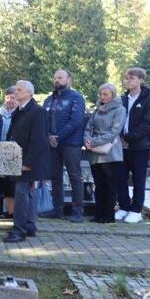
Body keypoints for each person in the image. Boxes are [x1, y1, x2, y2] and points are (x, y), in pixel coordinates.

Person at [4, 80, 51, 243]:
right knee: (27, 194)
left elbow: (39, 140)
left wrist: (28, 163)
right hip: (18, 159)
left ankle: (19, 231)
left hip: (30, 162)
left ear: (29, 93)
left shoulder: (38, 112)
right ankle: (29, 226)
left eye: (19, 90)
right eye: (15, 89)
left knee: (22, 194)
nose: (15, 92)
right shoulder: (19, 110)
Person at [115, 68, 150, 223]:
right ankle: (124, 207)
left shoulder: (149, 100)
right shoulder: (122, 99)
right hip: (121, 145)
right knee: (120, 177)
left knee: (138, 178)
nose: (127, 80)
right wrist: (120, 137)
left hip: (140, 145)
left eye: (131, 78)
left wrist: (129, 137)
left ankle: (136, 209)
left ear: (141, 80)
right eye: (126, 78)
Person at [43, 69, 87, 222]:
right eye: (55, 77)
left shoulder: (76, 98)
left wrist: (59, 137)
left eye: (60, 77)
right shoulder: (49, 100)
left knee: (75, 176)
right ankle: (57, 209)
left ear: (69, 80)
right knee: (55, 176)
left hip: (71, 144)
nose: (56, 80)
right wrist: (48, 135)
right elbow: (44, 120)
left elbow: (76, 121)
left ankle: (77, 211)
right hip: (52, 144)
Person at [84, 84, 125, 223]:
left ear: (113, 95)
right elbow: (88, 127)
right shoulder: (96, 110)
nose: (102, 97)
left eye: (106, 94)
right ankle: (98, 213)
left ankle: (108, 215)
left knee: (110, 185)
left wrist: (95, 142)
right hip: (94, 153)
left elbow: (115, 131)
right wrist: (87, 140)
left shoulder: (120, 109)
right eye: (101, 94)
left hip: (110, 152)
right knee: (99, 184)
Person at [0, 87, 18, 218]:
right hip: (0, 151)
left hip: (14, 152)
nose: (10, 100)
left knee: (13, 184)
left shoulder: (20, 113)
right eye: (8, 97)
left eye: (13, 97)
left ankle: (15, 211)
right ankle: (8, 210)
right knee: (3, 184)